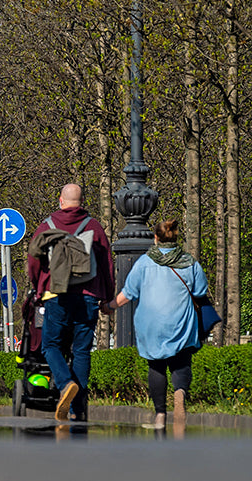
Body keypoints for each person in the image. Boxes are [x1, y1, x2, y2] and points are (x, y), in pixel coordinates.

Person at [25, 183, 115, 422]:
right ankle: (78, 409)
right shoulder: (94, 227)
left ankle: (65, 385)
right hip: (88, 297)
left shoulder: (47, 227)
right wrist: (107, 297)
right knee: (82, 351)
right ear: (81, 201)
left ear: (60, 200)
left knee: (50, 345)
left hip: (57, 295)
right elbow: (106, 264)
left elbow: (33, 260)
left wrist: (38, 286)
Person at [109, 219, 205, 430]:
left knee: (156, 366)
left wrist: (109, 306)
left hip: (151, 325)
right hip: (181, 322)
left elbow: (128, 294)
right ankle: (179, 392)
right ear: (177, 237)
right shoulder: (190, 263)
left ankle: (160, 415)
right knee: (181, 363)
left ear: (155, 238)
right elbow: (200, 292)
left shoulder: (144, 262)